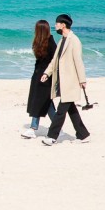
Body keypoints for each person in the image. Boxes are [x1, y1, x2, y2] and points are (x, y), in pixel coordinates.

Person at [39, 13, 90, 145]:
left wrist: (82, 80)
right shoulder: (62, 40)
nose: (55, 26)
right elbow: (54, 61)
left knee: (61, 111)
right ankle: (83, 135)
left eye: (56, 24)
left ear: (63, 25)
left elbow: (78, 61)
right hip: (62, 81)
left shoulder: (74, 41)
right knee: (71, 109)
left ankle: (52, 137)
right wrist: (47, 73)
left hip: (70, 81)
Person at [22, 19, 58, 138]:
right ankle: (57, 127)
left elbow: (55, 61)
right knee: (45, 103)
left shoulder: (50, 42)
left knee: (42, 102)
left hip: (46, 75)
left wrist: (48, 74)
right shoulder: (38, 41)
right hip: (38, 74)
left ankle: (33, 128)